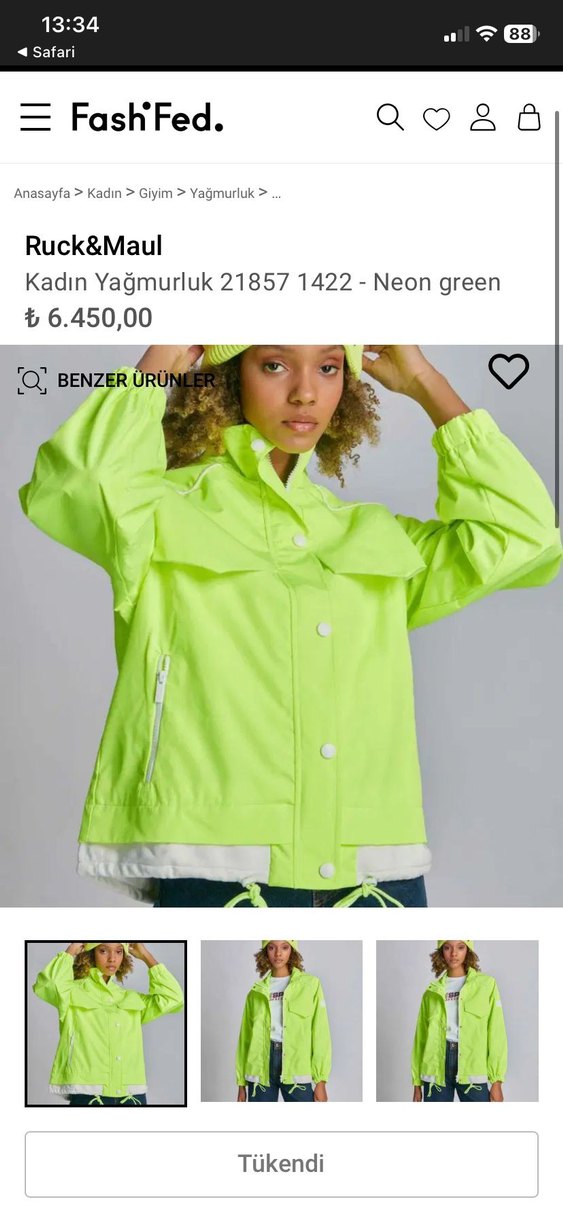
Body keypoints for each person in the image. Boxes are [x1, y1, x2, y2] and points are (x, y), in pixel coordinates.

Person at [19, 344, 562, 908]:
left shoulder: (368, 532)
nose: (305, 393)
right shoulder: (158, 510)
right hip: (218, 862)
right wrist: (164, 357)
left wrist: (426, 382)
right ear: (231, 375)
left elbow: (525, 535)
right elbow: (74, 483)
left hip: (376, 871)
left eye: (329, 367)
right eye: (275, 365)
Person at [33, 941, 184, 1105]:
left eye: (119, 951)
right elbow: (47, 985)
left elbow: (174, 998)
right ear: (91, 953)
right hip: (89, 1093)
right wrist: (70, 951)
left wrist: (146, 956)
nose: (112, 958)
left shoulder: (130, 998)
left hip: (132, 1095)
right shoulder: (70, 992)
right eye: (103, 951)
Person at [411, 940, 507, 1103]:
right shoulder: (431, 992)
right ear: (441, 951)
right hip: (435, 1068)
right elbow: (420, 1039)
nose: (454, 953)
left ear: (468, 950)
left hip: (472, 1065)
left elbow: (496, 1033)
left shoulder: (486, 985)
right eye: (447, 947)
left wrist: (497, 1081)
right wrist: (417, 1083)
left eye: (460, 947)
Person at [236, 940, 331, 1102]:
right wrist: (241, 1083)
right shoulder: (255, 992)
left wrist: (321, 1080)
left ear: (292, 950)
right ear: (265, 951)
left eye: (284, 947)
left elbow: (320, 1033)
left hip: (297, 1066)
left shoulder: (310, 985)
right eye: (272, 947)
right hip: (260, 1069)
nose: (278, 953)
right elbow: (245, 1039)